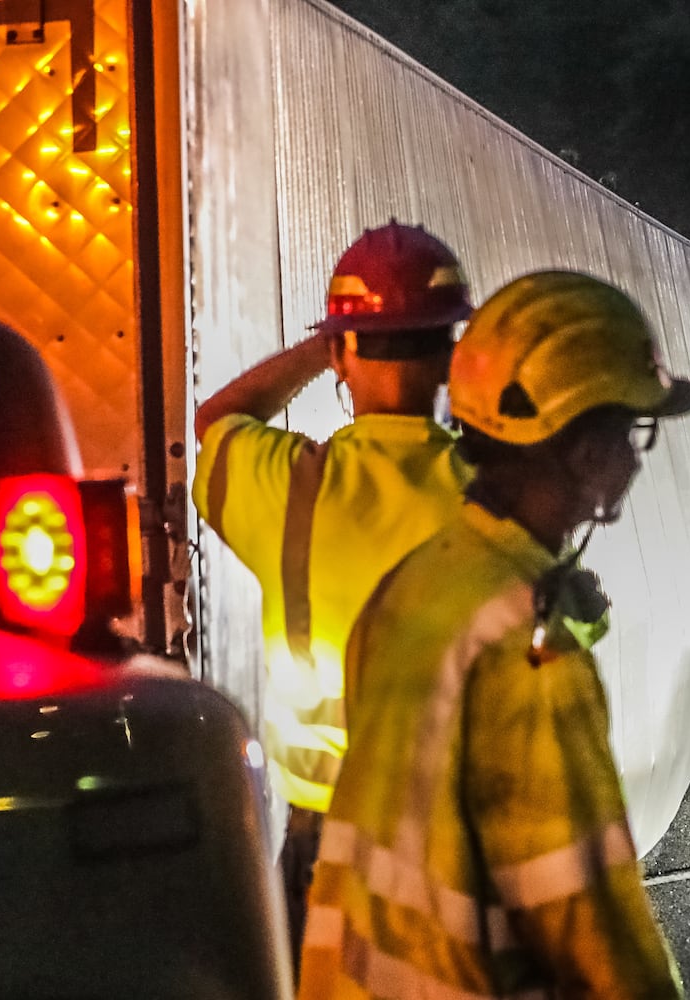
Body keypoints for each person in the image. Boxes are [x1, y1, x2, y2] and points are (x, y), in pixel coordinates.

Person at [298, 271, 690, 999]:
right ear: (582, 449)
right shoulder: (530, 647)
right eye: (631, 432)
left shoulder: (415, 585)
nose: (637, 459)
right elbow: (585, 918)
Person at [190, 221, 474, 958]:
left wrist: (327, 348)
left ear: (345, 355)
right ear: (447, 354)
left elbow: (217, 419)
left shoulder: (293, 488)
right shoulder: (495, 494)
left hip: (333, 847)